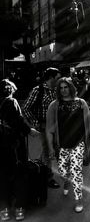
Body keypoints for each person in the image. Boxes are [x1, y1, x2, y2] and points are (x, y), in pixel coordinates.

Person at [46, 77, 90, 213]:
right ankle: (67, 180)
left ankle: (78, 199)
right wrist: (51, 148)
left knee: (76, 172)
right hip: (62, 145)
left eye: (66, 87)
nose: (64, 90)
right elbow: (49, 129)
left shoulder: (81, 103)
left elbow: (89, 120)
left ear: (71, 87)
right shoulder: (54, 105)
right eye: (61, 88)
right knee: (63, 172)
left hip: (78, 144)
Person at [0, 79, 40, 221]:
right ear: (10, 90)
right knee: (19, 175)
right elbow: (19, 121)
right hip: (13, 147)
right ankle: (19, 209)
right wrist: (30, 131)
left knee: (2, 177)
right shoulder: (11, 102)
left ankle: (4, 211)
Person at [22, 67, 61, 189]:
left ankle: (40, 168)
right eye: (58, 78)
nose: (60, 80)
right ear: (51, 78)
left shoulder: (58, 90)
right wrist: (35, 122)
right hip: (44, 126)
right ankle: (47, 177)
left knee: (57, 148)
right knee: (47, 151)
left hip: (58, 125)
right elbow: (26, 108)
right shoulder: (38, 90)